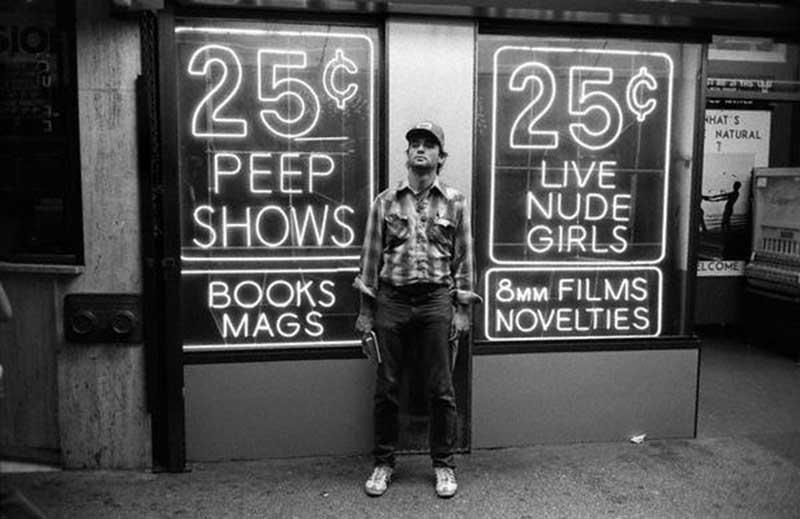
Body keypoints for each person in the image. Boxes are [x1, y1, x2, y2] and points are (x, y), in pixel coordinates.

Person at [353, 121, 481, 498]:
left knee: (441, 389)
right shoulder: (385, 202)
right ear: (407, 155)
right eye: (415, 145)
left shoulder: (455, 201)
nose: (420, 150)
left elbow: (465, 259)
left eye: (429, 145)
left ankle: (443, 465)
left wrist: (462, 311)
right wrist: (365, 313)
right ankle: (383, 463)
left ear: (441, 157)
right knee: (387, 387)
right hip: (391, 301)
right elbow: (370, 259)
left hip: (436, 301)